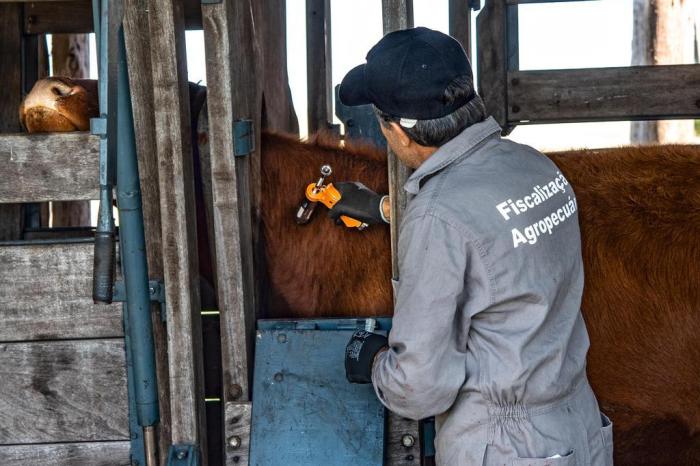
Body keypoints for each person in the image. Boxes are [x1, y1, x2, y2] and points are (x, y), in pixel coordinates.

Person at [332, 27, 613, 465]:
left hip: (506, 447)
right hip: (577, 423)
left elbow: (420, 388)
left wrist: (374, 362)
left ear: (400, 133)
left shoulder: (437, 217)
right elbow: (496, 236)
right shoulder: (536, 167)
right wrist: (388, 210)